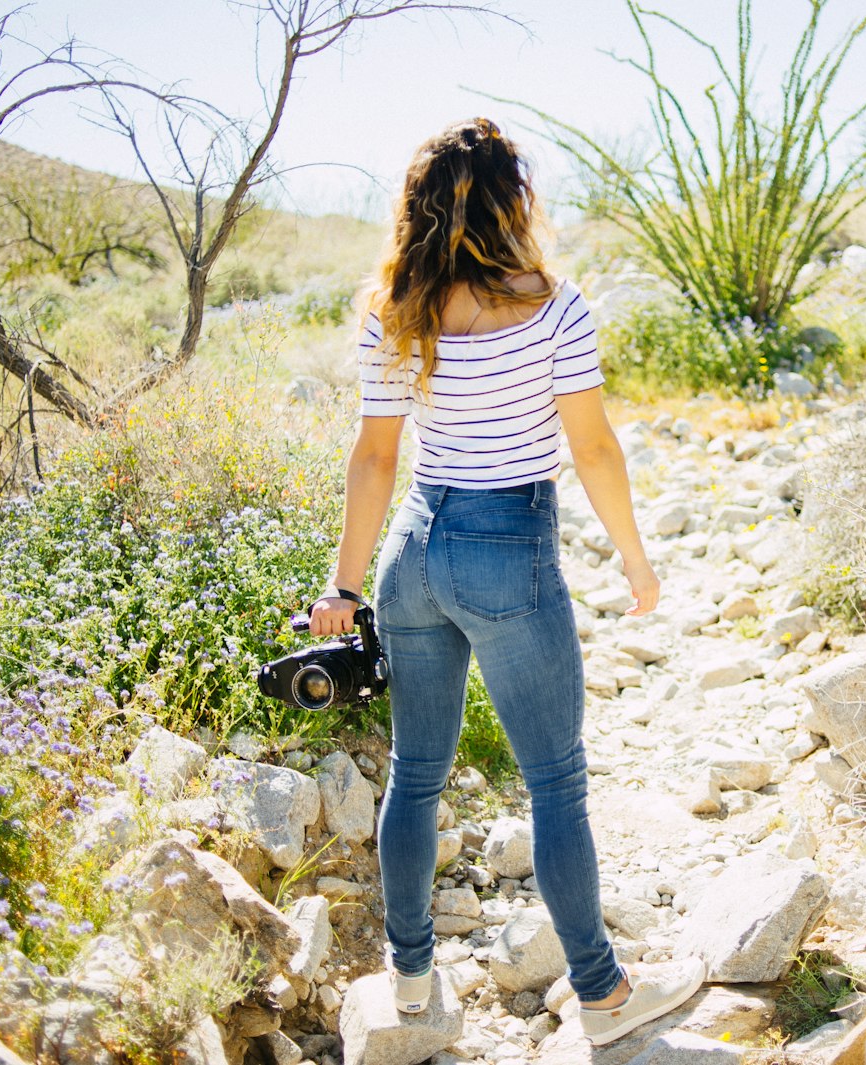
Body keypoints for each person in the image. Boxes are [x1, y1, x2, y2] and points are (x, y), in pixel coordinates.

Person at [307, 116, 706, 1047]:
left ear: (419, 211)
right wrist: (637, 558)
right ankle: (604, 997)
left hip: (415, 546)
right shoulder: (554, 306)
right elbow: (594, 447)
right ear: (510, 201)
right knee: (557, 782)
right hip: (507, 544)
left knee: (416, 774)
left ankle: (410, 983)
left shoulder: (392, 309)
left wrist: (344, 583)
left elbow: (374, 459)